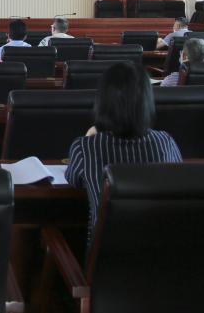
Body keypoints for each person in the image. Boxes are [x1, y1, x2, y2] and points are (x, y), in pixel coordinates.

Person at [67, 62, 183, 239]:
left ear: (102, 101)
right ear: (147, 101)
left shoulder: (85, 147)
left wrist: (90, 137)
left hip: (105, 254)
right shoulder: (165, 141)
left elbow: (73, 180)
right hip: (162, 249)